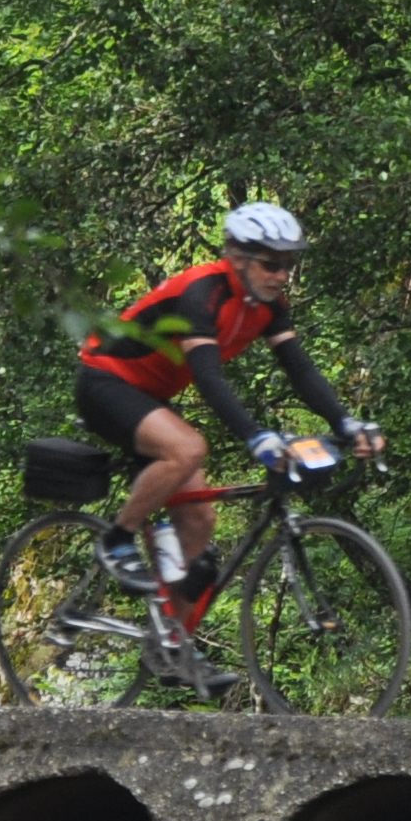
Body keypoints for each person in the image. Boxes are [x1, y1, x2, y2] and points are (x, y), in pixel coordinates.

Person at [75, 201, 382, 598]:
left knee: (199, 523)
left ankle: (173, 635)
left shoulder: (268, 305)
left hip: (151, 396)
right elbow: (208, 377)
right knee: (188, 448)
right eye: (270, 264)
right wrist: (255, 436)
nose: (281, 276)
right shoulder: (201, 292)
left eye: (288, 265)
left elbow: (300, 370)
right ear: (237, 257)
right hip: (104, 380)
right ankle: (117, 539)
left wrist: (346, 423)